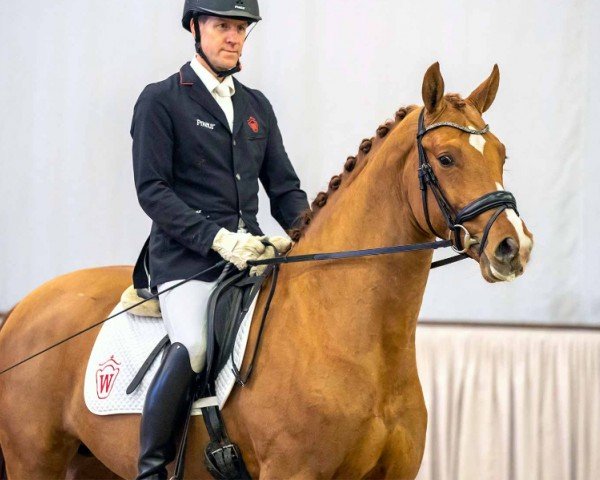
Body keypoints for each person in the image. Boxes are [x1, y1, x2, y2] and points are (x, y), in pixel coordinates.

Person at [130, 0, 309, 478]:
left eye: (241, 28)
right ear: (195, 28)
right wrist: (216, 239)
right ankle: (151, 468)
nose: (233, 37)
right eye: (223, 26)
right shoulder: (161, 100)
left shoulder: (256, 107)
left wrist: (309, 237)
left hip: (250, 258)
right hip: (187, 262)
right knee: (194, 345)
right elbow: (153, 191)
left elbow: (285, 191)